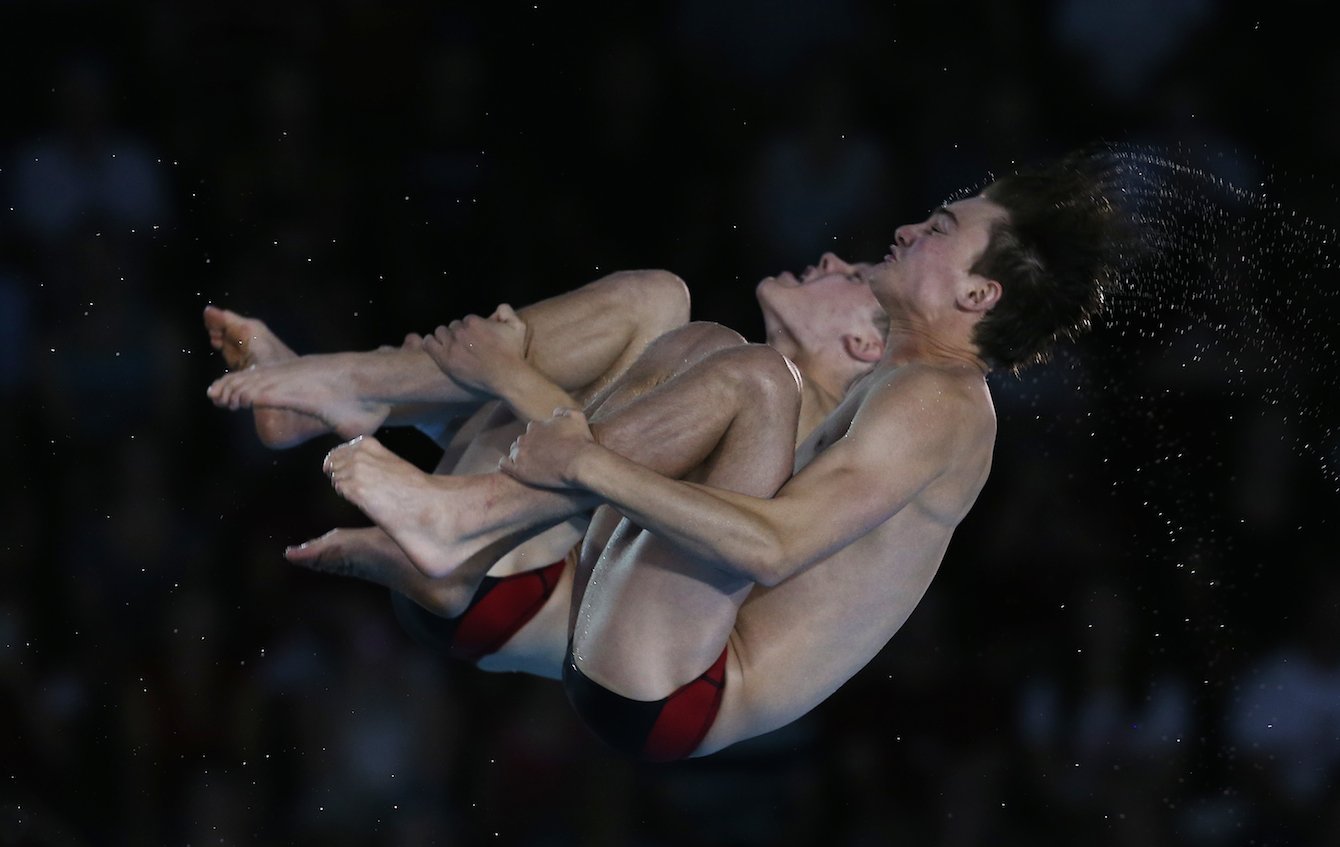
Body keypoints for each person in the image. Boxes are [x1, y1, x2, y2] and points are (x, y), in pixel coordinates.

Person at [314, 152, 1129, 762]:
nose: (912, 227)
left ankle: (458, 510)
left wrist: (580, 457)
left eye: (942, 229)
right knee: (705, 345)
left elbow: (774, 547)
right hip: (635, 636)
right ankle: (382, 420)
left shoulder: (940, 403)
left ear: (977, 296)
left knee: (748, 375)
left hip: (685, 687)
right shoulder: (907, 388)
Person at [206, 254, 888, 676]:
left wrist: (505, 374)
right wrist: (462, 392)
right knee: (662, 303)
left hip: (508, 585)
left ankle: (356, 389)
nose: (831, 257)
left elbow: (609, 499)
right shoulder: (751, 383)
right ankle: (352, 392)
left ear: (862, 342)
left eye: (853, 276)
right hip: (497, 557)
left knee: (677, 319)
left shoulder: (788, 425)